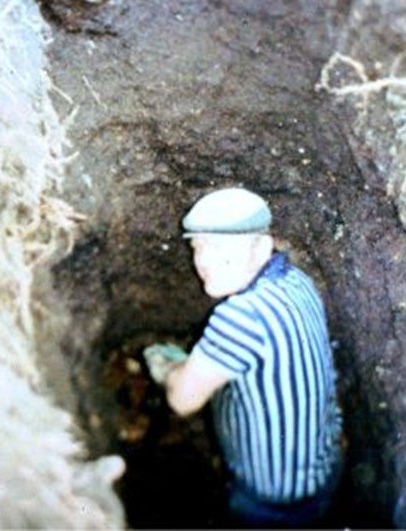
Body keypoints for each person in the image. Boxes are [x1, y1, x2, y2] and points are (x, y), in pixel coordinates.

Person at [144, 187, 343, 528]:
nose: (204, 261)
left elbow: (182, 399)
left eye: (219, 247)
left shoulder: (240, 317)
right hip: (323, 470)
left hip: (273, 502)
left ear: (262, 247)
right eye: (198, 247)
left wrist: (167, 366)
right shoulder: (297, 281)